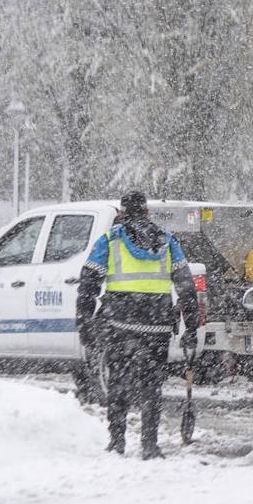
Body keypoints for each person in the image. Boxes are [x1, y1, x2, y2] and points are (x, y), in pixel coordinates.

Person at [77, 192, 199, 459]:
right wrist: (192, 326)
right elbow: (186, 287)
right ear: (146, 212)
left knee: (118, 381)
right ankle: (149, 444)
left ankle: (117, 441)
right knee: (151, 386)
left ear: (122, 214)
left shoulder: (109, 241)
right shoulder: (167, 241)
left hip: (119, 324)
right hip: (157, 325)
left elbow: (88, 283)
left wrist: (84, 321)